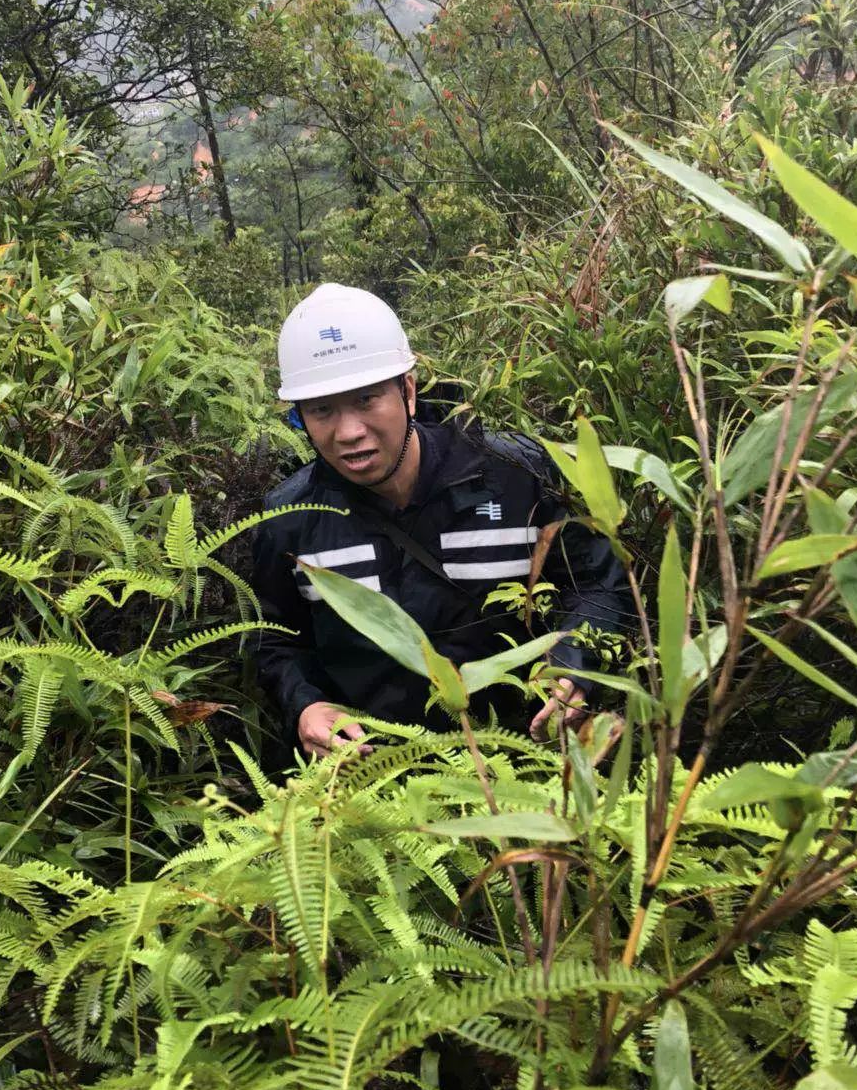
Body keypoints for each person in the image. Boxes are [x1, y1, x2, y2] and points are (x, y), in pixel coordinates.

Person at [251, 283, 631, 760]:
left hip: (524, 764)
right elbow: (275, 642)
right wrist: (305, 706)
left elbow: (599, 585)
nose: (348, 432)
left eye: (367, 399)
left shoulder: (517, 477)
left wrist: (574, 667)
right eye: (322, 409)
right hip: (376, 783)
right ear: (300, 417)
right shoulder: (291, 518)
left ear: (407, 390)